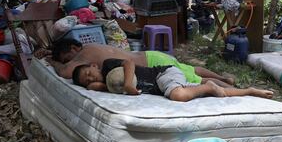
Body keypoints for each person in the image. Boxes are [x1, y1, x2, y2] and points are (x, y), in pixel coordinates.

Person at [48, 39, 234, 87]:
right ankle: (223, 77)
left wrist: (51, 61)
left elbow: (65, 72)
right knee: (190, 69)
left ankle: (226, 86)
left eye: (68, 58)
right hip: (150, 55)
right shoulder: (92, 46)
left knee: (194, 79)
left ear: (73, 48)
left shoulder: (84, 55)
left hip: (151, 63)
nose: (70, 62)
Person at [71, 58, 274, 102]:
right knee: (213, 93)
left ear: (94, 65)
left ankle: (210, 84)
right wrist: (92, 84)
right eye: (86, 80)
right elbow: (97, 86)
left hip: (162, 74)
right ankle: (249, 90)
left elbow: (128, 63)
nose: (91, 78)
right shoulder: (108, 86)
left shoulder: (108, 66)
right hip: (163, 86)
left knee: (178, 95)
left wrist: (127, 84)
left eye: (89, 72)